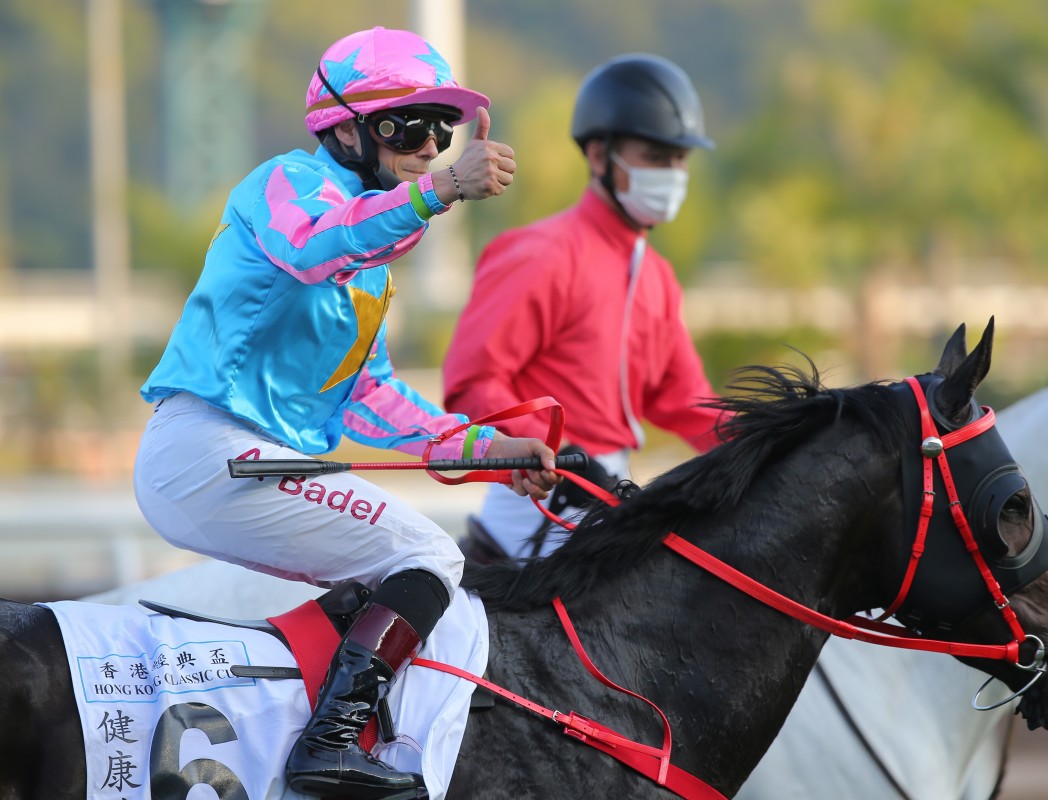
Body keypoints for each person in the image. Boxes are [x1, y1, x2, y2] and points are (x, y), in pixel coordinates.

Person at [133, 27, 559, 800]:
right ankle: (328, 746)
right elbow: (313, 248)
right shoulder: (282, 188)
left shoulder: (370, 274)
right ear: (342, 125)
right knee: (430, 557)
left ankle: (347, 741)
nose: (430, 145)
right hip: (206, 452)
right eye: (408, 125)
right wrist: (441, 193)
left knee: (415, 579)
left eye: (444, 127)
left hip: (259, 463)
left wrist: (490, 447)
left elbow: (372, 396)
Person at [442, 53, 727, 561]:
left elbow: (685, 402)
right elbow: (471, 384)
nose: (674, 173)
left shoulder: (655, 275)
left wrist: (780, 442)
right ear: (600, 156)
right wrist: (561, 452)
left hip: (609, 491)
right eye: (657, 156)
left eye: (681, 158)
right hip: (538, 500)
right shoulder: (539, 254)